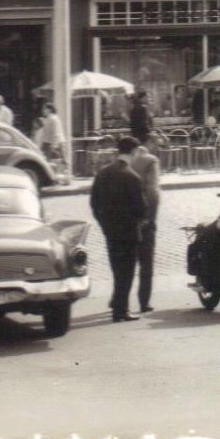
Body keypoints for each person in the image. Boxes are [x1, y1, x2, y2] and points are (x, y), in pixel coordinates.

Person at [91, 137, 147, 322]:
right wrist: (139, 222)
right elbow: (141, 208)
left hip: (110, 231)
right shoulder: (132, 177)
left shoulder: (103, 173)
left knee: (117, 269)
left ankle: (118, 303)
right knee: (127, 272)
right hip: (129, 232)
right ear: (134, 152)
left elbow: (94, 203)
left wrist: (104, 223)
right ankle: (121, 311)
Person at [131, 131, 162, 313]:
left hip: (127, 219)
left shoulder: (129, 160)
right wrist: (151, 218)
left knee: (125, 262)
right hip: (144, 217)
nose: (158, 148)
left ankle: (118, 300)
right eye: (157, 143)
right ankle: (144, 301)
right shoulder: (151, 161)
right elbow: (153, 192)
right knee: (146, 262)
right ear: (149, 142)